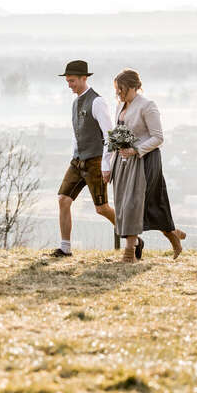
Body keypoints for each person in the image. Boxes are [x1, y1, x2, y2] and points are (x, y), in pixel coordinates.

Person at [109, 68, 186, 262]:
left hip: (145, 161)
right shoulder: (120, 106)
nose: (119, 93)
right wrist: (111, 162)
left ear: (134, 87)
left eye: (122, 89)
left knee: (133, 204)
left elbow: (158, 137)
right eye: (117, 89)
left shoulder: (147, 106)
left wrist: (136, 150)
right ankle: (173, 235)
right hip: (123, 162)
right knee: (129, 205)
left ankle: (129, 254)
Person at [50, 60, 116, 257]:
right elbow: (77, 133)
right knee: (63, 199)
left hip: (95, 161)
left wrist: (106, 164)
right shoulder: (75, 102)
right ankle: (65, 248)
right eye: (68, 81)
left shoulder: (97, 102)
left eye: (72, 81)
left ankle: (133, 238)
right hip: (77, 161)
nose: (69, 84)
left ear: (84, 78)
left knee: (102, 208)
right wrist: (74, 154)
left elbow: (110, 135)